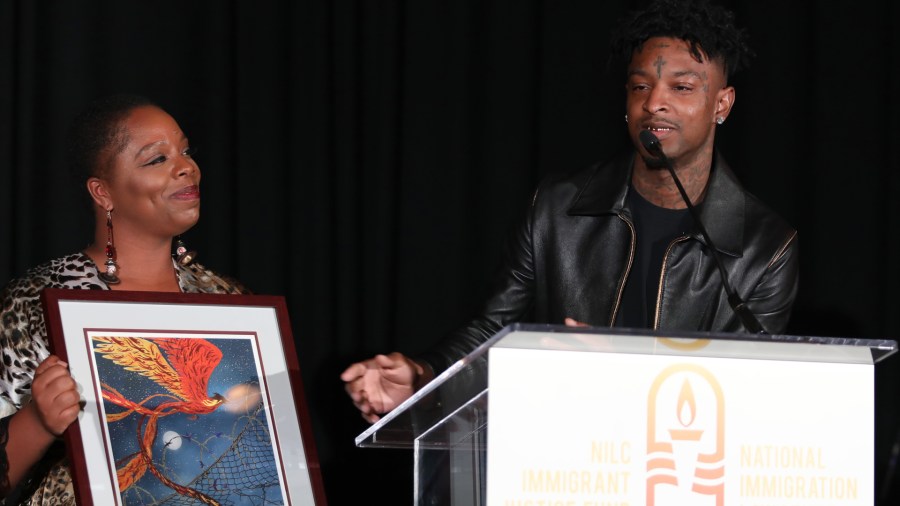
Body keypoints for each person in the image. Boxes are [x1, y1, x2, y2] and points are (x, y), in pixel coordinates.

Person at [342, 0, 799, 423]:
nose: (654, 102)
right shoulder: (557, 208)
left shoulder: (765, 246)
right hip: (561, 459)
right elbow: (496, 329)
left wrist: (620, 374)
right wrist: (424, 378)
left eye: (681, 87)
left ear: (722, 103)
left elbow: (742, 398)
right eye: (640, 85)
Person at [0, 94, 249, 504]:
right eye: (157, 160)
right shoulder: (37, 303)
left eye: (185, 151)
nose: (187, 167)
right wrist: (40, 422)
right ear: (103, 192)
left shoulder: (228, 300)